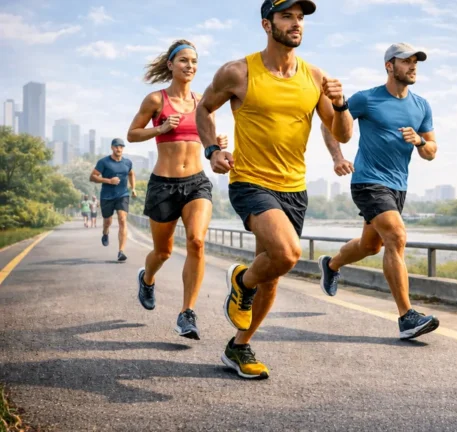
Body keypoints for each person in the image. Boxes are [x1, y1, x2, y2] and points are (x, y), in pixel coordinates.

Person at [196, 0, 353, 379]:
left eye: (300, 18)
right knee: (286, 253)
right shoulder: (238, 72)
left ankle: (239, 346)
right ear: (267, 24)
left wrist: (341, 103)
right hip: (250, 180)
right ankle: (241, 281)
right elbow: (204, 108)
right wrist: (213, 150)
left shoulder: (314, 76)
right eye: (287, 16)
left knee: (273, 274)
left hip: (294, 188)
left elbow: (341, 132)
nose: (296, 23)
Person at [317, 43, 440, 340]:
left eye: (415, 63)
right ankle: (407, 317)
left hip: (398, 186)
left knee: (371, 246)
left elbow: (432, 152)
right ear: (389, 66)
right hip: (368, 181)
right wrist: (337, 157)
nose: (412, 67)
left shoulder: (421, 105)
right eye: (406, 62)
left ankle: (331, 265)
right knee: (396, 237)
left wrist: (419, 142)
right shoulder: (367, 99)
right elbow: (329, 123)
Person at [126, 40, 228, 340]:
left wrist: (217, 145)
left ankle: (187, 313)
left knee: (196, 241)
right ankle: (147, 278)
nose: (189, 66)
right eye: (183, 60)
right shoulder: (156, 101)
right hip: (163, 185)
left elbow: (208, 143)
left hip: (196, 182)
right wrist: (160, 128)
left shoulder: (203, 103)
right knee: (163, 251)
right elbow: (131, 134)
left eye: (194, 61)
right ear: (170, 65)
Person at [89, 138, 136, 262]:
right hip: (107, 196)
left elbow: (131, 174)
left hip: (122, 195)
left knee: (122, 219)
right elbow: (92, 177)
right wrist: (109, 181)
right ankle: (105, 232)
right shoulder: (104, 162)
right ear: (112, 147)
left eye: (121, 146)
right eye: (116, 146)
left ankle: (121, 251)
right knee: (107, 221)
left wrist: (133, 188)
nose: (118, 149)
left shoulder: (127, 162)